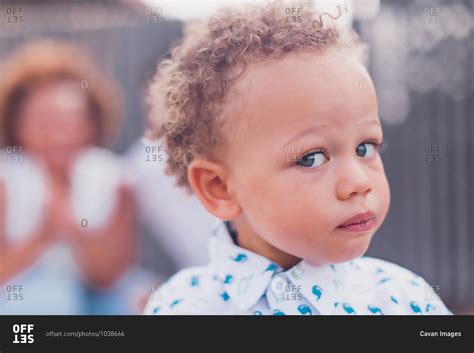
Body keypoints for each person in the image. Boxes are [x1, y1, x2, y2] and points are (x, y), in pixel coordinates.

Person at [143, 2, 452, 315]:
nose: (358, 183)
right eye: (312, 158)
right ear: (219, 187)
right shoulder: (182, 308)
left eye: (365, 148)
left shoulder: (403, 298)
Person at [0, 40, 137, 314]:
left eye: (70, 120)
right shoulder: (6, 179)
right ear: (17, 124)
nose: (58, 135)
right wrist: (44, 234)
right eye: (43, 121)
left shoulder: (114, 179)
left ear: (92, 122)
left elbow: (109, 278)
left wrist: (76, 230)